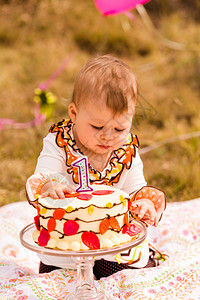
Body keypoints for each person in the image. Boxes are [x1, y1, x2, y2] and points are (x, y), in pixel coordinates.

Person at [26, 55, 166, 277]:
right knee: (55, 279)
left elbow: (135, 190)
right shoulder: (60, 143)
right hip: (66, 249)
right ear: (74, 113)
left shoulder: (126, 151)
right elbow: (45, 173)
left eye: (119, 129)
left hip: (113, 248)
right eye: (97, 126)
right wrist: (50, 185)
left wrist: (145, 202)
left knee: (134, 272)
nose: (107, 137)